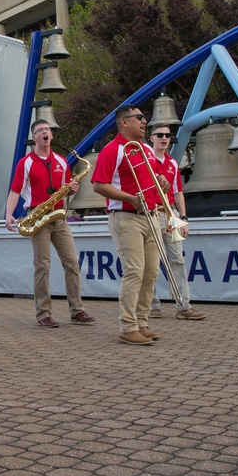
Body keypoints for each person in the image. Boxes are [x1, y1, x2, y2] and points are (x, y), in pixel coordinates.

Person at [5, 119, 96, 328]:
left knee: (72, 263)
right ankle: (44, 313)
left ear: (51, 135)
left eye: (48, 130)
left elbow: (65, 188)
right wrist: (9, 214)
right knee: (42, 266)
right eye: (40, 130)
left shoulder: (62, 161)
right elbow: (15, 190)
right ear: (34, 137)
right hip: (37, 217)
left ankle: (77, 310)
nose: (45, 133)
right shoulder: (25, 162)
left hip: (58, 217)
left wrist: (71, 188)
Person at [90, 105, 166, 346]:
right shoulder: (113, 150)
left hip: (150, 215)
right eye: (139, 117)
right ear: (124, 122)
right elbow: (99, 185)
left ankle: (141, 322)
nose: (145, 121)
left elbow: (154, 177)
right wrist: (130, 198)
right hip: (126, 216)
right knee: (134, 271)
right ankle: (127, 326)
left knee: (151, 271)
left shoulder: (146, 149)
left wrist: (162, 180)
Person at [147, 124, 206, 321]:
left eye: (167, 135)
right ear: (152, 138)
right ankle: (152, 305)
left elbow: (177, 191)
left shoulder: (172, 163)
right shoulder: (146, 160)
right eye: (160, 135)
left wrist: (183, 217)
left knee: (177, 260)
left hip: (170, 213)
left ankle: (183, 305)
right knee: (152, 261)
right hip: (152, 213)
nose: (164, 138)